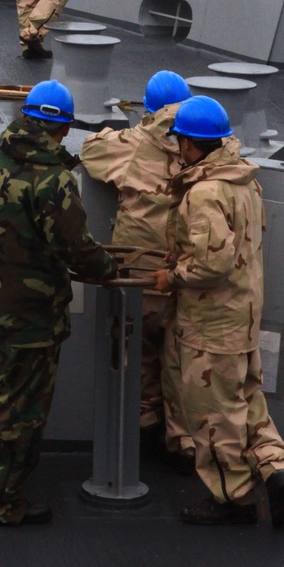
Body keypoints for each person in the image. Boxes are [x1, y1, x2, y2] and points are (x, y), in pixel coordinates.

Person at [0, 80, 118, 525]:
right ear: (61, 129)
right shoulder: (54, 181)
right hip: (30, 322)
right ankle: (0, 503)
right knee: (17, 412)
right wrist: (109, 269)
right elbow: (75, 250)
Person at [151, 96, 284, 527]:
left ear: (193, 145)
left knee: (212, 413)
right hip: (244, 318)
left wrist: (171, 277)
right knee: (248, 402)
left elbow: (211, 263)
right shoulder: (243, 181)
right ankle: (277, 472)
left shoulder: (204, 193)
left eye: (180, 141)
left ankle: (232, 498)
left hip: (211, 324)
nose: (178, 148)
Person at [79, 70, 195, 468]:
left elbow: (89, 151)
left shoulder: (131, 146)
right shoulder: (211, 145)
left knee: (141, 354)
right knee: (181, 361)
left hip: (142, 280)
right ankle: (183, 444)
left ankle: (145, 426)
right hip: (189, 278)